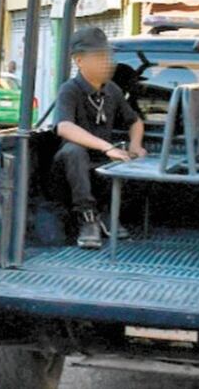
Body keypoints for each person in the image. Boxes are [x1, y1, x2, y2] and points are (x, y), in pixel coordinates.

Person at [52, 27, 147, 249]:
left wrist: (135, 145)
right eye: (99, 57)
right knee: (74, 151)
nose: (107, 62)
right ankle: (87, 219)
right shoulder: (70, 89)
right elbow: (64, 127)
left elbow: (135, 121)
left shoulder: (111, 90)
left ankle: (107, 215)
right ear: (79, 60)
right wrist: (107, 148)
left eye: (108, 56)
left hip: (101, 162)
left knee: (134, 159)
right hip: (69, 169)